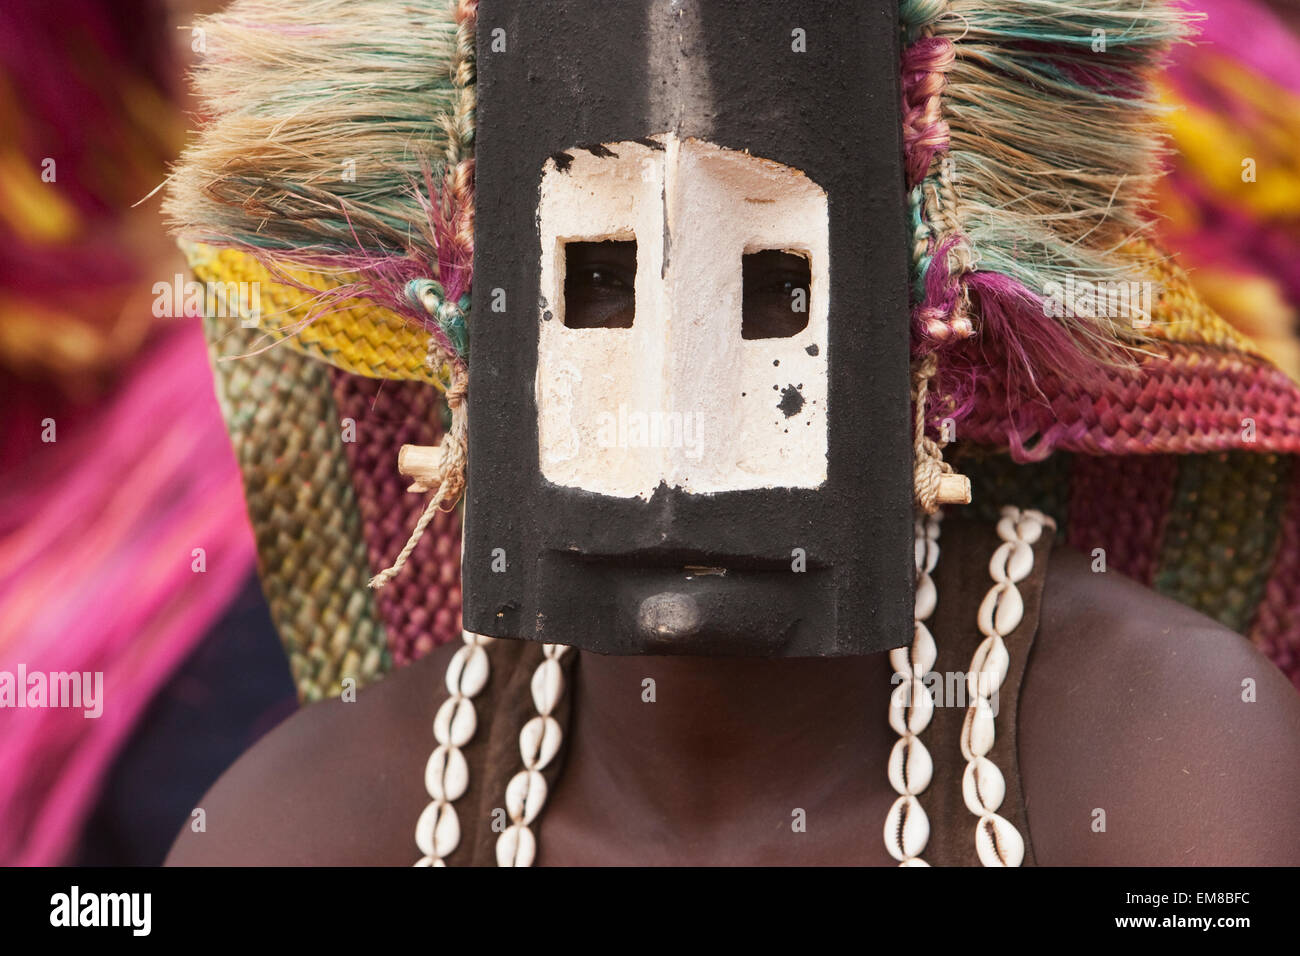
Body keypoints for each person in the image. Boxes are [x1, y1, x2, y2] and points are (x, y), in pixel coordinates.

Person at [163, 0, 1300, 866]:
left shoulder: (1168, 770)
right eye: (598, 282)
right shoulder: (301, 830)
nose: (676, 434)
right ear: (460, 308)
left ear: (925, 301)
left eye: (777, 291)